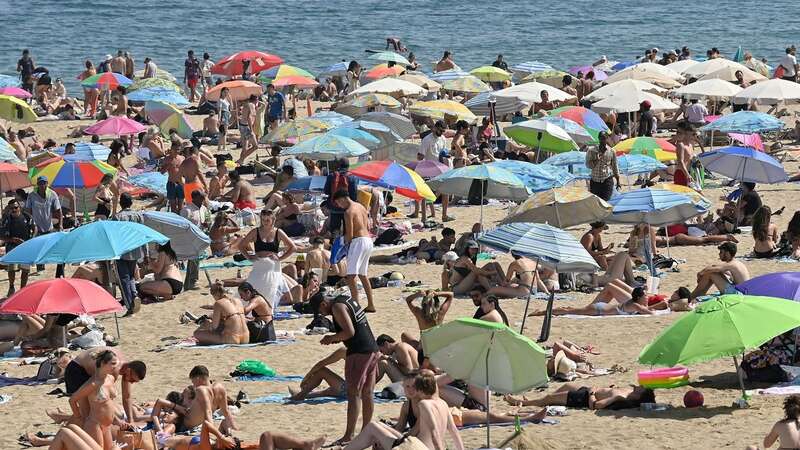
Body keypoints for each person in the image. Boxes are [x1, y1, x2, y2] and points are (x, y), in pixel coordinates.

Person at [311, 293, 380, 446]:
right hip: (372, 349)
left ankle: (349, 435)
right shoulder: (345, 299)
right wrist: (338, 338)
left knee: (354, 393)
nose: (322, 314)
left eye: (320, 311)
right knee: (368, 392)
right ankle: (366, 431)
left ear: (323, 304)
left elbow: (349, 332)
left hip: (359, 352)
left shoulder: (337, 306)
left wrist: (331, 338)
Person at [343, 370, 464, 450]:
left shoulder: (424, 404)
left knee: (372, 427)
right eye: (407, 387)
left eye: (415, 387)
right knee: (375, 426)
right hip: (417, 443)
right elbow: (454, 431)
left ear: (420, 389)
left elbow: (433, 432)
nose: (411, 390)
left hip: (417, 447)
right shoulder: (442, 403)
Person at [64, 347, 145, 429]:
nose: (132, 382)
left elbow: (127, 397)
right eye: (132, 380)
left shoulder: (125, 367)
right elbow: (107, 399)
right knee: (87, 413)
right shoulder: (113, 370)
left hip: (88, 368)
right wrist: (116, 420)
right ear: (128, 370)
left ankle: (65, 421)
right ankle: (68, 428)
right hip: (76, 370)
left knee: (93, 412)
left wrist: (131, 421)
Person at [239, 210, 297, 306]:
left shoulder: (278, 232)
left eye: (267, 220)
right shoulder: (255, 231)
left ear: (273, 219)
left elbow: (293, 247)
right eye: (263, 220)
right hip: (259, 266)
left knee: (277, 293)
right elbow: (241, 245)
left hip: (273, 267)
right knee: (252, 289)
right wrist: (249, 256)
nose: (265, 222)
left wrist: (281, 258)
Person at [67, 350, 123, 450]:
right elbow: (72, 400)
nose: (116, 366)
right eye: (113, 364)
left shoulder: (110, 378)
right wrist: (78, 417)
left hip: (107, 425)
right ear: (102, 363)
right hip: (95, 425)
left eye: (116, 363)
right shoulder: (93, 384)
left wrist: (117, 420)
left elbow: (109, 403)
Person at [333, 190, 376, 313]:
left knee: (351, 277)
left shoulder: (348, 212)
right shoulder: (361, 206)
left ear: (342, 199)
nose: (339, 206)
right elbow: (368, 227)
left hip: (358, 242)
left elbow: (350, 235)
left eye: (338, 203)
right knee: (363, 275)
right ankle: (371, 304)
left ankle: (355, 306)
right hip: (368, 240)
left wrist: (340, 245)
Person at [504, 382, 655, 410]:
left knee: (550, 398)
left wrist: (591, 393)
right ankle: (538, 401)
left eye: (642, 389)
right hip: (588, 390)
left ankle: (524, 403)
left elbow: (595, 406)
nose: (639, 386)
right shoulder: (629, 393)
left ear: (639, 397)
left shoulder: (621, 399)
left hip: (584, 398)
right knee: (565, 386)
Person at [531, 284, 655, 316]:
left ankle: (543, 311)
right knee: (568, 310)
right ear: (638, 298)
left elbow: (646, 309)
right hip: (598, 309)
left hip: (601, 307)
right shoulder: (636, 306)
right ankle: (541, 312)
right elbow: (650, 313)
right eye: (645, 296)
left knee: (569, 309)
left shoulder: (634, 303)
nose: (647, 297)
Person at [25, 175, 63, 277]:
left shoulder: (52, 194)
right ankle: (40, 267)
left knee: (53, 247)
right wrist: (30, 223)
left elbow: (59, 211)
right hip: (36, 226)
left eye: (44, 183)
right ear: (37, 185)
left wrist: (60, 224)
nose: (42, 185)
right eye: (40, 183)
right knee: (38, 247)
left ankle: (58, 268)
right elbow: (27, 210)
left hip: (48, 225)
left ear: (47, 184)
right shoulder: (31, 196)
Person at [113, 193, 145, 315]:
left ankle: (130, 304)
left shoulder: (117, 217)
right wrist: (145, 253)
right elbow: (143, 235)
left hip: (122, 251)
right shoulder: (138, 216)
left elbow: (115, 236)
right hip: (136, 250)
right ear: (131, 203)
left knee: (124, 278)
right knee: (131, 276)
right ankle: (134, 295)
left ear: (121, 203)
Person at [2, 198, 33, 296]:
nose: (14, 210)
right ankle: (11, 287)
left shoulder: (27, 217)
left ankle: (22, 291)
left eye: (15, 207)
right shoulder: (6, 219)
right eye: (11, 208)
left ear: (19, 207)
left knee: (25, 270)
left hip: (26, 246)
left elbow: (34, 227)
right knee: (11, 269)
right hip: (12, 247)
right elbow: (1, 236)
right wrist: (12, 240)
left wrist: (31, 239)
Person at [181, 190, 211, 290]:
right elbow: (182, 225)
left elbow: (208, 220)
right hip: (190, 238)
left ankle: (189, 283)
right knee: (194, 259)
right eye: (201, 198)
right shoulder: (187, 210)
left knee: (195, 261)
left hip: (201, 237)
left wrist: (207, 224)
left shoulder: (204, 209)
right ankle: (193, 281)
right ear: (195, 198)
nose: (203, 200)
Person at [585, 132, 620, 201]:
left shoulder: (611, 151)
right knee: (596, 203)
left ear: (607, 139)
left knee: (606, 202)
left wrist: (618, 180)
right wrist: (596, 160)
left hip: (607, 180)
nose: (602, 141)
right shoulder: (592, 150)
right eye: (601, 138)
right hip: (595, 182)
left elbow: (615, 166)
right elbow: (588, 165)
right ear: (598, 139)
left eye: (604, 138)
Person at [161, 141, 185, 213]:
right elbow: (162, 172)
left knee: (181, 206)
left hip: (181, 183)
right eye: (175, 149)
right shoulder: (167, 159)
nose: (176, 151)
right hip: (171, 183)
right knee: (173, 206)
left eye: (178, 149)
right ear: (171, 149)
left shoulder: (182, 158)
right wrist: (167, 166)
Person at [673, 121, 696, 186]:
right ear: (686, 134)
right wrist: (687, 175)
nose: (693, 136)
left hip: (690, 172)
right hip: (681, 173)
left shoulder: (691, 145)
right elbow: (680, 161)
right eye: (692, 134)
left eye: (694, 134)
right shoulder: (681, 145)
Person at [238, 94, 259, 164]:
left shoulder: (247, 104)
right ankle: (241, 159)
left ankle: (241, 161)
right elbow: (249, 117)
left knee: (245, 147)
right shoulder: (251, 105)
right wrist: (251, 129)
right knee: (255, 146)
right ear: (256, 100)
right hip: (247, 127)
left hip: (242, 126)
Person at [217, 87, 231, 152]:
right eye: (224, 92)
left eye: (227, 92)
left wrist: (230, 99)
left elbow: (231, 107)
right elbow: (219, 110)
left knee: (223, 132)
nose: (226, 94)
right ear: (221, 92)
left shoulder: (226, 100)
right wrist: (219, 119)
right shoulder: (220, 100)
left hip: (227, 114)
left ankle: (220, 147)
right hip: (223, 115)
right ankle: (223, 147)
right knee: (223, 132)